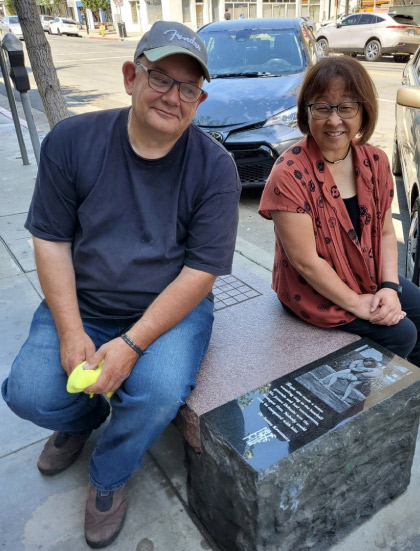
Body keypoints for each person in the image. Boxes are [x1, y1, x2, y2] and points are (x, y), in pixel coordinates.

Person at [2, 21, 240, 549]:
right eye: (160, 79)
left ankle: (109, 474)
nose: (172, 97)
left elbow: (201, 271)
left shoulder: (214, 168)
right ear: (132, 75)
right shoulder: (71, 142)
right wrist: (69, 331)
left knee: (156, 391)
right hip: (85, 302)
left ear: (200, 99)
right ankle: (83, 416)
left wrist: (133, 345)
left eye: (188, 88)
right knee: (28, 393)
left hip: (168, 310)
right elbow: (51, 240)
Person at [258, 56, 420, 394]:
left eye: (346, 107)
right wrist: (358, 303)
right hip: (311, 286)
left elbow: (386, 231)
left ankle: (415, 372)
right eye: (322, 108)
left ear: (363, 111)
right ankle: (368, 395)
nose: (334, 121)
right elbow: (305, 262)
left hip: (365, 270)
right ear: (306, 112)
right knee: (401, 334)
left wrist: (389, 286)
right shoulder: (289, 173)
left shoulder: (374, 161)